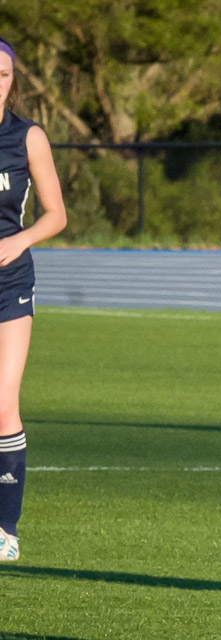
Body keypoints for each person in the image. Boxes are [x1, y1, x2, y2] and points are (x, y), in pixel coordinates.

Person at [0, 37, 67, 562]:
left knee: (3, 403)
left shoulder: (28, 137)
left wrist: (20, 238)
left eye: (3, 75)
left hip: (9, 283)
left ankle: (5, 530)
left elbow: (56, 214)